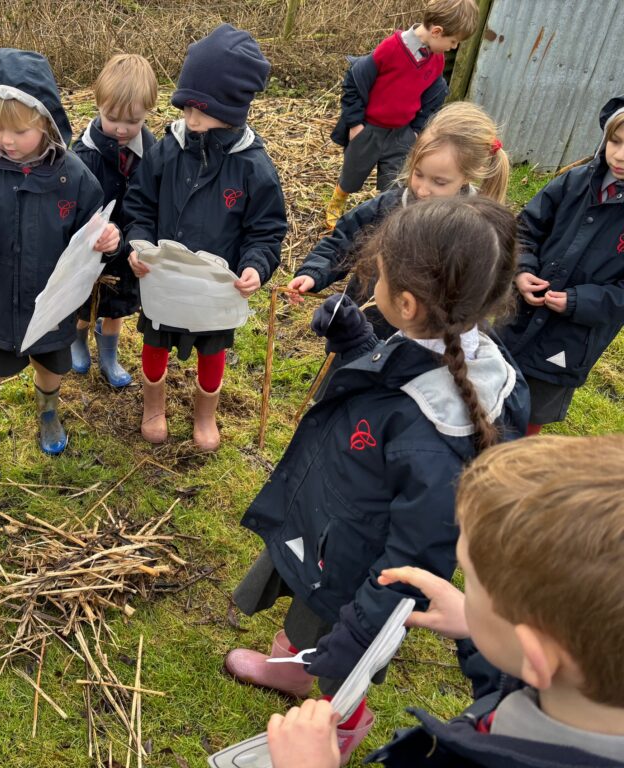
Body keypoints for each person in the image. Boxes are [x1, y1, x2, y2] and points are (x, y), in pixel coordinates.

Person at [225, 198, 529, 763]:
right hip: (329, 526)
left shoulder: (432, 432)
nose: (376, 282)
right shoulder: (451, 344)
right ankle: (294, 669)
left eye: (381, 276)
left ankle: (341, 722)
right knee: (302, 610)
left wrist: (358, 639)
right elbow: (395, 383)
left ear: (408, 303)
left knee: (334, 651)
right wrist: (356, 344)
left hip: (350, 567)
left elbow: (410, 563)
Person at [265, 434, 624, 768]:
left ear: (535, 654)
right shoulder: (572, 698)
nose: (465, 593)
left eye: (473, 585)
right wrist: (473, 630)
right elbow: (516, 684)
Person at [0, 48, 118, 482]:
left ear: (47, 124)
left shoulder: (73, 176)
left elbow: (94, 232)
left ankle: (48, 411)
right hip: (0, 297)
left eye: (18, 130)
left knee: (51, 365)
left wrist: (108, 240)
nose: (6, 139)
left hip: (53, 299)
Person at [123, 23, 288, 451]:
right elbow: (139, 203)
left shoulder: (253, 168)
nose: (191, 118)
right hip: (165, 281)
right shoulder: (167, 150)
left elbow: (266, 230)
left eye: (201, 108)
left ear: (233, 108)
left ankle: (204, 413)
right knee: (155, 342)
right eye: (185, 107)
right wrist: (138, 245)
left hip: (215, 291)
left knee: (212, 352)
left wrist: (255, 266)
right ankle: (154, 405)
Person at [291, 100, 509, 336]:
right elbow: (344, 241)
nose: (423, 189)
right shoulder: (389, 205)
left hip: (420, 339)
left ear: (466, 177)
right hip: (361, 322)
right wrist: (314, 272)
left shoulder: (475, 230)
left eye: (439, 182)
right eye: (419, 174)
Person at [501, 95, 624, 435]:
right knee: (489, 387)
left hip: (570, 340)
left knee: (530, 415)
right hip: (518, 316)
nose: (620, 155)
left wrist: (577, 302)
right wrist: (523, 270)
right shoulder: (573, 182)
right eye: (615, 142)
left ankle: (510, 472)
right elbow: (525, 229)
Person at [325, 0, 480, 229]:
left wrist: (416, 130)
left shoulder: (436, 60)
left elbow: (430, 98)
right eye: (453, 41)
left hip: (401, 134)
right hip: (370, 129)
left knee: (396, 182)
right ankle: (338, 200)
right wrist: (356, 124)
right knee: (353, 172)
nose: (453, 48)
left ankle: (389, 221)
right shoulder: (390, 49)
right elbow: (354, 82)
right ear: (437, 32)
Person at [69, 53, 158, 388]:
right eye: (112, 118)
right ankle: (78, 339)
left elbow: (152, 197)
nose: (121, 128)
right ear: (98, 106)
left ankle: (109, 355)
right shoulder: (83, 153)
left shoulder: (152, 151)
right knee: (84, 302)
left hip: (129, 244)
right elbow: (73, 203)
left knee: (117, 305)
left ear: (147, 112)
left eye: (132, 121)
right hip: (93, 245)